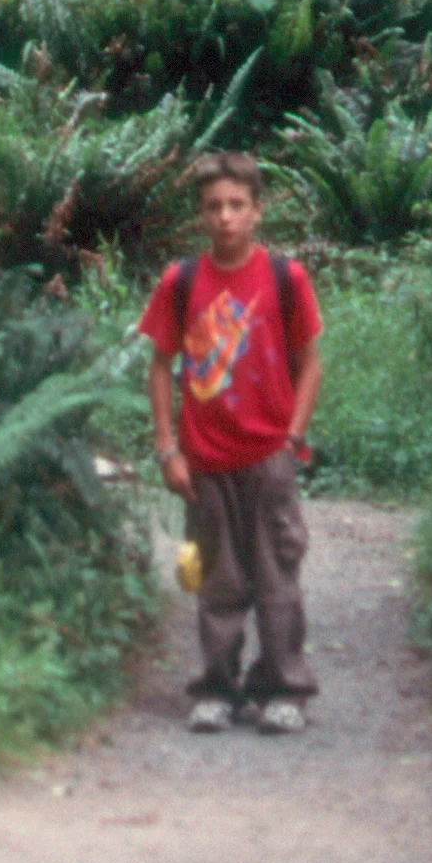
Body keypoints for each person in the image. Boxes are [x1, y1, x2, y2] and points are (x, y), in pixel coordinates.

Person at [138, 149, 322, 735]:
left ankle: (284, 689)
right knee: (218, 582)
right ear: (201, 214)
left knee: (276, 578)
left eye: (236, 205)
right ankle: (217, 689)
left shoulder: (285, 278)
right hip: (204, 460)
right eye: (213, 206)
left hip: (269, 455)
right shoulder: (181, 281)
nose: (225, 217)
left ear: (256, 210)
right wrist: (167, 448)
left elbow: (310, 362)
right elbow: (159, 366)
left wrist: (292, 437)